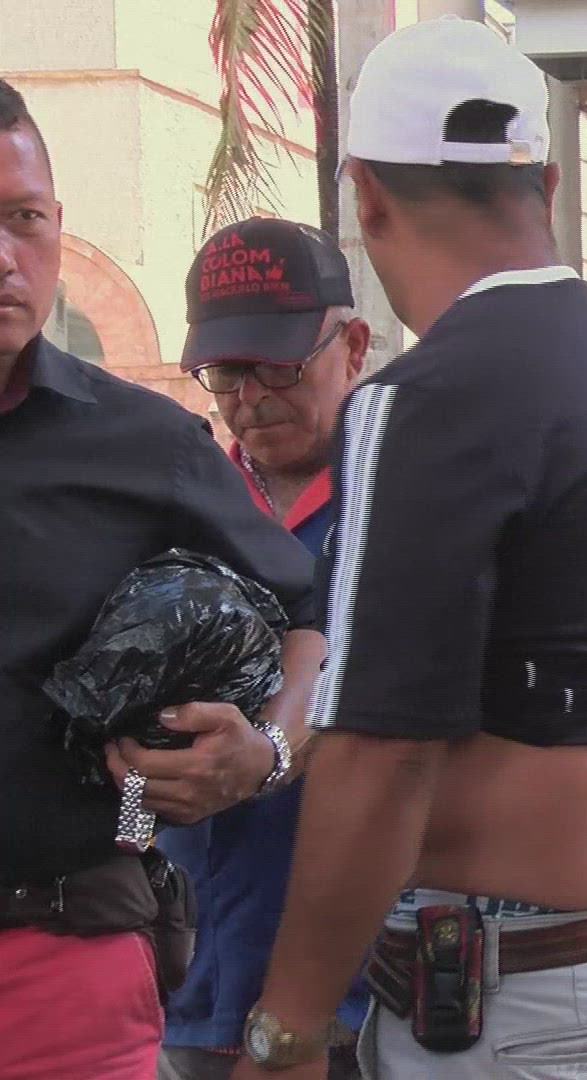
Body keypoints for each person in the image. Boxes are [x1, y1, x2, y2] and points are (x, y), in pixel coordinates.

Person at [232, 19, 587, 1078]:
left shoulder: (421, 404)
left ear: (367, 195)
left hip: (513, 1002)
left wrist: (284, 1036)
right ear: (546, 184)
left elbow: (382, 753)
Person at [0, 78, 323, 1080]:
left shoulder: (146, 443)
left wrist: (267, 750)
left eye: (24, 219)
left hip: (63, 966)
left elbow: (311, 613)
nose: (6, 257)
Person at [160, 219, 371, 1080]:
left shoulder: (407, 503)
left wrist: (273, 751)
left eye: (279, 366)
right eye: (225, 373)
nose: (249, 397)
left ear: (352, 347)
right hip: (191, 978)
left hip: (367, 997)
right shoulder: (179, 507)